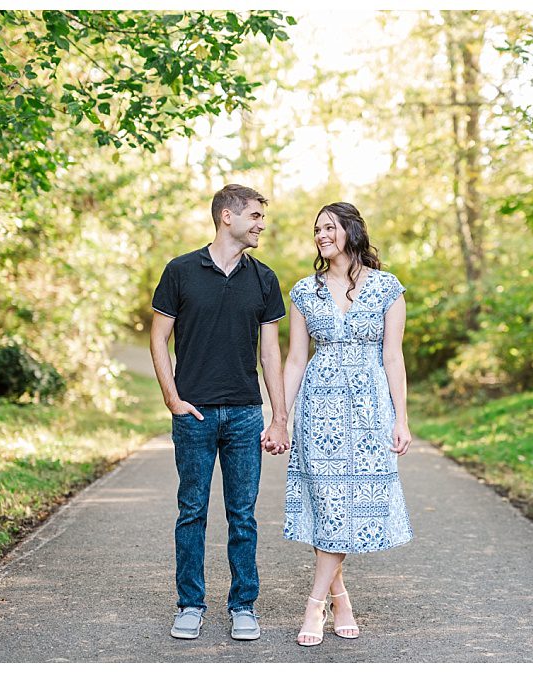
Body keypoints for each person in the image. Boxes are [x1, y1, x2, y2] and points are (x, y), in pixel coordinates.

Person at [149, 184, 290, 642]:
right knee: (191, 511)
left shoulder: (265, 279)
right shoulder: (181, 271)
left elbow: (271, 355)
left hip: (246, 413)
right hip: (194, 414)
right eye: (254, 216)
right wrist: (172, 398)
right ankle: (190, 604)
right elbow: (158, 339)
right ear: (226, 217)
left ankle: (243, 605)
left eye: (261, 217)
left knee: (243, 515)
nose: (260, 224)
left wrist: (278, 416)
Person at [279, 202, 414, 646]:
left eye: (329, 228)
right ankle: (334, 600)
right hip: (319, 410)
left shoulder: (388, 288)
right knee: (328, 504)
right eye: (316, 229)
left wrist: (402, 418)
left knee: (350, 503)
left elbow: (393, 357)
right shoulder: (304, 291)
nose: (320, 235)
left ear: (351, 231)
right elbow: (296, 359)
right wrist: (280, 415)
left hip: (370, 410)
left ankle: (318, 602)